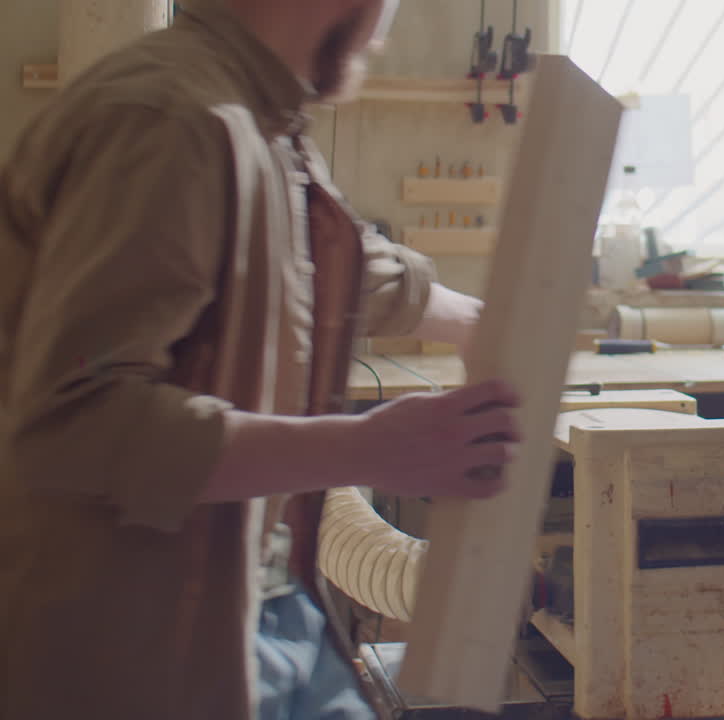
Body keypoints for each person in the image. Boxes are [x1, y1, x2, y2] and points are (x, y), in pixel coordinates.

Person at [0, 0, 522, 718]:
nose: (389, 22)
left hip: (260, 601)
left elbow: (315, 258)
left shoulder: (254, 114)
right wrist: (368, 448)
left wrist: (479, 323)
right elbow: (76, 418)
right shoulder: (171, 119)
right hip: (143, 647)